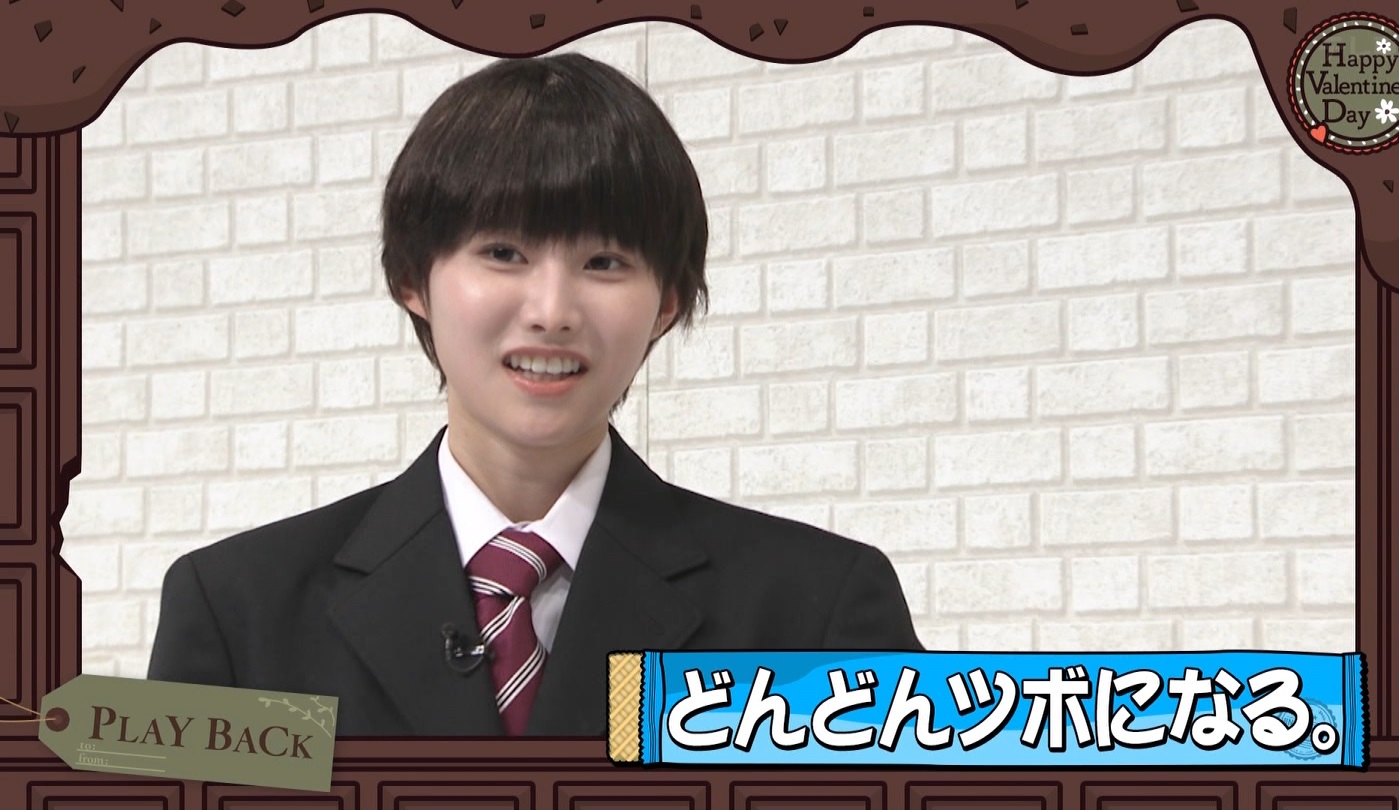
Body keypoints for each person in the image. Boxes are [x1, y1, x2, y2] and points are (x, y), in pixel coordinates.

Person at [148, 53, 923, 737]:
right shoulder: (234, 611)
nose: (553, 311)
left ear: (666, 303)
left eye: (605, 262)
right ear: (412, 280)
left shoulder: (817, 610)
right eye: (504, 251)